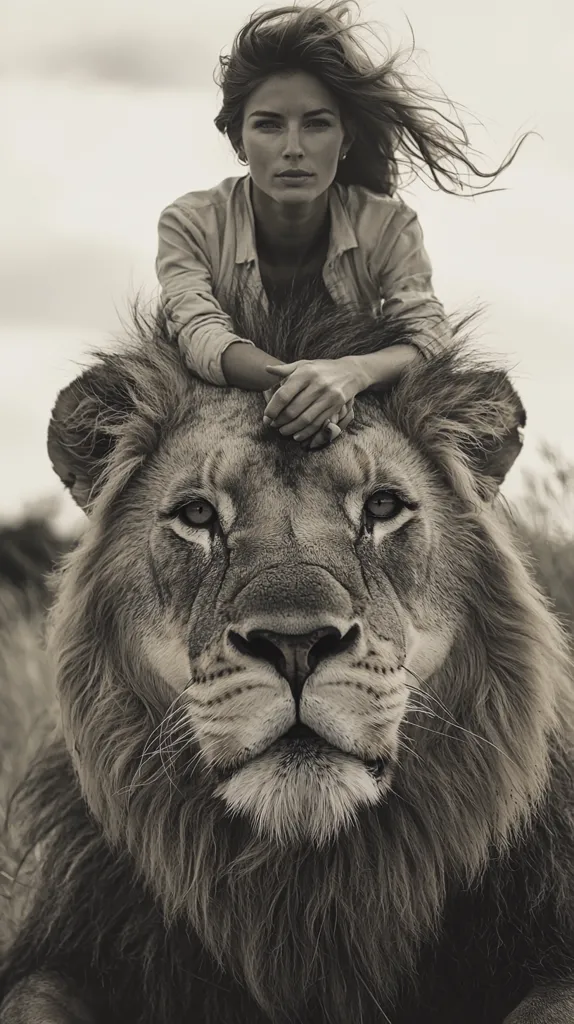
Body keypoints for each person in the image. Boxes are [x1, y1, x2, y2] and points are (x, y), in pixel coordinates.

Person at [156, 0, 527, 450]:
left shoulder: (388, 225)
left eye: (316, 124)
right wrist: (305, 386)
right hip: (224, 418)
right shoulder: (190, 222)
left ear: (345, 137)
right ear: (238, 140)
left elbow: (428, 334)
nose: (293, 148)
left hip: (354, 408)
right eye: (269, 125)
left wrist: (351, 373)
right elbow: (198, 333)